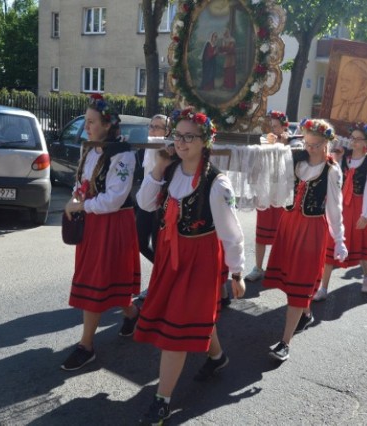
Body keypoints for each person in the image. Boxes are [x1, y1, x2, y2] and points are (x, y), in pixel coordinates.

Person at [134, 107, 245, 424]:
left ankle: (162, 399)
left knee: (175, 327)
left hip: (199, 260)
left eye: (188, 137)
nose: (180, 142)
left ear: (205, 141)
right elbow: (144, 203)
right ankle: (218, 357)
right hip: (170, 255)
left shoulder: (217, 183)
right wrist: (157, 168)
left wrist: (236, 273)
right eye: (177, 135)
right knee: (192, 315)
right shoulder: (168, 169)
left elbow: (231, 232)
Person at [60, 94, 141, 371]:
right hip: (94, 222)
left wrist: (82, 204)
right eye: (86, 121)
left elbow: (114, 199)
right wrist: (75, 201)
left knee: (96, 282)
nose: (86, 127)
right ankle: (132, 313)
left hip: (114, 223)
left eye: (91, 122)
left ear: (107, 124)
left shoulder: (123, 155)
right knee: (105, 279)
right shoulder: (92, 149)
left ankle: (86, 346)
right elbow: (82, 182)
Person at [263, 118, 347, 362]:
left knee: (300, 281)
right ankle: (306, 312)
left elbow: (335, 208)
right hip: (289, 225)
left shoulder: (332, 170)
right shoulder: (295, 160)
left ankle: (285, 342)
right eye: (307, 143)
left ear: (326, 144)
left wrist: (339, 240)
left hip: (311, 231)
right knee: (292, 280)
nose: (309, 148)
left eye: (315, 144)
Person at [314, 122, 367, 301]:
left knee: (360, 243)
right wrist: (337, 156)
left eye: (359, 139)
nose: (354, 142)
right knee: (331, 243)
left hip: (358, 206)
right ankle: (324, 287)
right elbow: (330, 173)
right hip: (341, 204)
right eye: (353, 138)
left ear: (366, 141)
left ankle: (366, 275)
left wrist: (365, 214)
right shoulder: (343, 156)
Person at [245, 110, 291, 282]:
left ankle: (281, 268)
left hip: (282, 194)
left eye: (276, 126)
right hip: (266, 192)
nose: (273, 129)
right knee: (261, 233)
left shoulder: (292, 141)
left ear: (284, 126)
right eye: (271, 126)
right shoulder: (267, 141)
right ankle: (258, 268)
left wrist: (283, 143)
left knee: (283, 235)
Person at [137, 114, 171, 265]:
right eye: (151, 126)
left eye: (157, 127)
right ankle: (160, 269)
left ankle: (161, 278)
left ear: (167, 131)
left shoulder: (170, 150)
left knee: (159, 246)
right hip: (146, 202)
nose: (152, 130)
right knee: (140, 243)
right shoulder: (147, 147)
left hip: (162, 204)